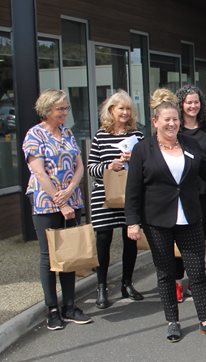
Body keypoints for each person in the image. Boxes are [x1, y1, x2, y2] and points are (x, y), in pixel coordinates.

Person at [125, 88, 206, 342]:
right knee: (166, 273)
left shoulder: (189, 143)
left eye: (175, 119)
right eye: (166, 119)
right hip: (157, 220)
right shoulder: (143, 150)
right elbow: (132, 190)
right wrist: (132, 221)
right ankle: (173, 321)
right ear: (155, 122)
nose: (172, 123)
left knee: (197, 271)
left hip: (189, 217)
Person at [22, 89, 93, 330]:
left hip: (71, 199)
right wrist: (60, 202)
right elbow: (39, 172)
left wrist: (72, 189)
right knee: (49, 256)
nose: (65, 112)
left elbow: (79, 165)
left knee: (69, 253)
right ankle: (52, 309)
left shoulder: (67, 133)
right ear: (47, 109)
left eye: (66, 108)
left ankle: (70, 306)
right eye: (60, 108)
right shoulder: (35, 135)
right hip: (46, 201)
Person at [87, 90, 144, 309]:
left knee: (131, 239)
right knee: (103, 240)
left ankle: (127, 283)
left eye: (128, 108)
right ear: (111, 110)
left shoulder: (137, 137)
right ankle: (101, 286)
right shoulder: (100, 136)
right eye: (121, 108)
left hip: (130, 195)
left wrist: (134, 160)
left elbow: (148, 165)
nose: (125, 112)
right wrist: (109, 166)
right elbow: (91, 167)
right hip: (104, 196)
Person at [173, 85, 206, 303]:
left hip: (204, 193)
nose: (193, 105)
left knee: (199, 239)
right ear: (181, 104)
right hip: (180, 193)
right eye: (188, 102)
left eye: (196, 102)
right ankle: (178, 281)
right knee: (178, 240)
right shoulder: (174, 129)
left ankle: (196, 279)